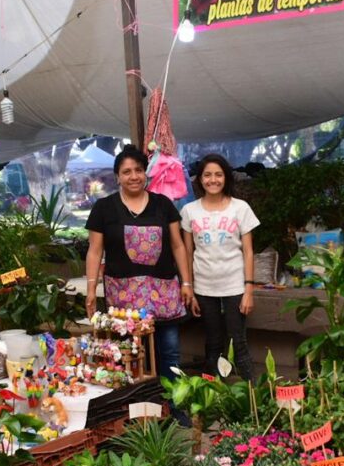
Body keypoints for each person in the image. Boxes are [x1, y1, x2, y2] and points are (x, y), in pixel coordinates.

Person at [84, 145, 193, 380]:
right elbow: (95, 251)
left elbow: (178, 246)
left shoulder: (163, 204)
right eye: (126, 171)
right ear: (117, 177)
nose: (133, 176)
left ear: (146, 173)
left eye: (138, 170)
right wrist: (91, 289)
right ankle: (138, 409)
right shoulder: (103, 208)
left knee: (170, 351)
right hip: (124, 298)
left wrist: (187, 284)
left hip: (164, 293)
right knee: (130, 354)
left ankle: (173, 406)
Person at [181, 154, 259, 380]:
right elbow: (187, 252)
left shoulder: (240, 208)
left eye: (218, 174)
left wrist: (249, 290)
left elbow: (248, 251)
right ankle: (213, 399)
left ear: (226, 177)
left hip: (235, 286)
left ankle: (254, 402)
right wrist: (191, 289)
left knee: (238, 343)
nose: (212, 180)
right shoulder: (189, 211)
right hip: (204, 288)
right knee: (213, 343)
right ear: (200, 179)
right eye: (207, 175)